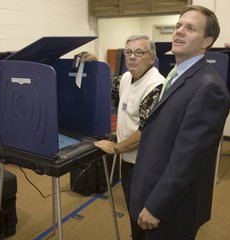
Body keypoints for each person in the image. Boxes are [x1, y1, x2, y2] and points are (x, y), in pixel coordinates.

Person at [129, 5, 230, 240]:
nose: (179, 31)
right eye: (178, 26)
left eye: (190, 28)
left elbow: (188, 160)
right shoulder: (177, 75)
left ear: (207, 41)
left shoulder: (209, 88)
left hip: (169, 210)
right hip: (151, 187)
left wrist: (157, 207)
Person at [90, 34, 165, 238]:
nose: (132, 57)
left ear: (152, 57)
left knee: (145, 215)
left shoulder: (156, 86)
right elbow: (107, 87)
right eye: (128, 52)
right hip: (128, 159)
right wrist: (94, 65)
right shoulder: (126, 78)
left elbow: (144, 133)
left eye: (139, 52)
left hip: (145, 164)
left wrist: (115, 148)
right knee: (134, 211)